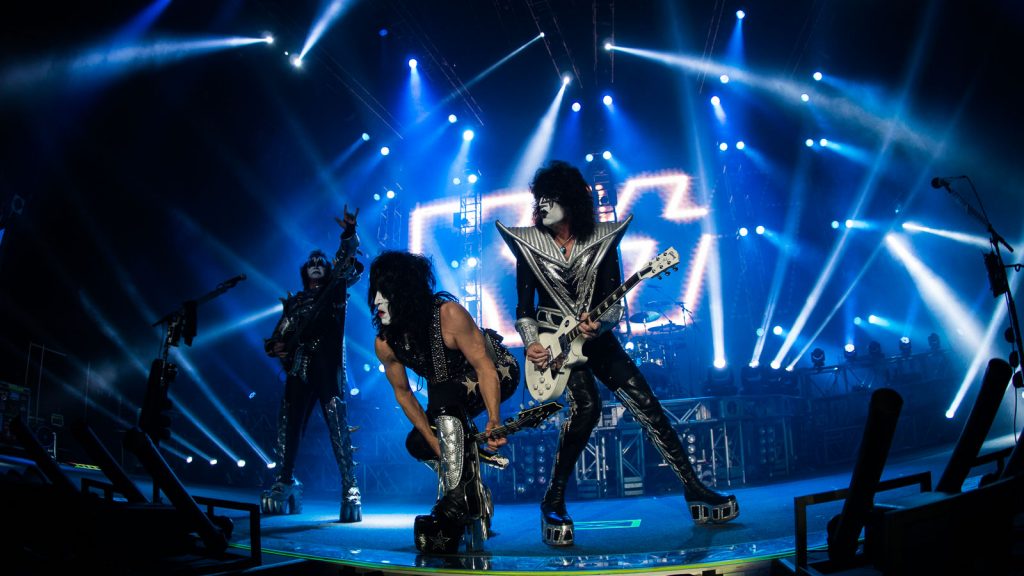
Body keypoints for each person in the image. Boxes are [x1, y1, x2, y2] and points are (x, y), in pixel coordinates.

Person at [496, 160, 739, 547]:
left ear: (570, 200)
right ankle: (553, 499)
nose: (541, 205)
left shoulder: (603, 239)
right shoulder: (529, 246)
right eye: (538, 199)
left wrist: (601, 324)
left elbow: (615, 304)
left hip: (598, 340)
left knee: (647, 404)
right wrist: (533, 343)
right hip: (555, 345)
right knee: (587, 408)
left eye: (549, 198)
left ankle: (694, 488)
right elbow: (524, 308)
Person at [368, 250, 519, 553]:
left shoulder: (448, 315)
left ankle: (457, 500)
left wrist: (494, 420)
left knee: (444, 398)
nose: (376, 301)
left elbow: (484, 366)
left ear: (406, 292)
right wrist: (436, 444)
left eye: (386, 292)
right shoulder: (385, 343)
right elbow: (404, 394)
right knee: (417, 442)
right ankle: (471, 489)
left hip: (498, 372)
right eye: (375, 292)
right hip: (444, 398)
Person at [261, 206, 363, 523]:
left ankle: (350, 487)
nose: (317, 265)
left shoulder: (335, 290)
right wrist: (275, 346)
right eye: (312, 263)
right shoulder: (295, 301)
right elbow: (278, 334)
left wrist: (348, 233)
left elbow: (346, 262)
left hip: (326, 364)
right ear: (305, 270)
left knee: (336, 423)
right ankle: (286, 480)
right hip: (298, 367)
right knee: (288, 424)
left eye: (321, 262)